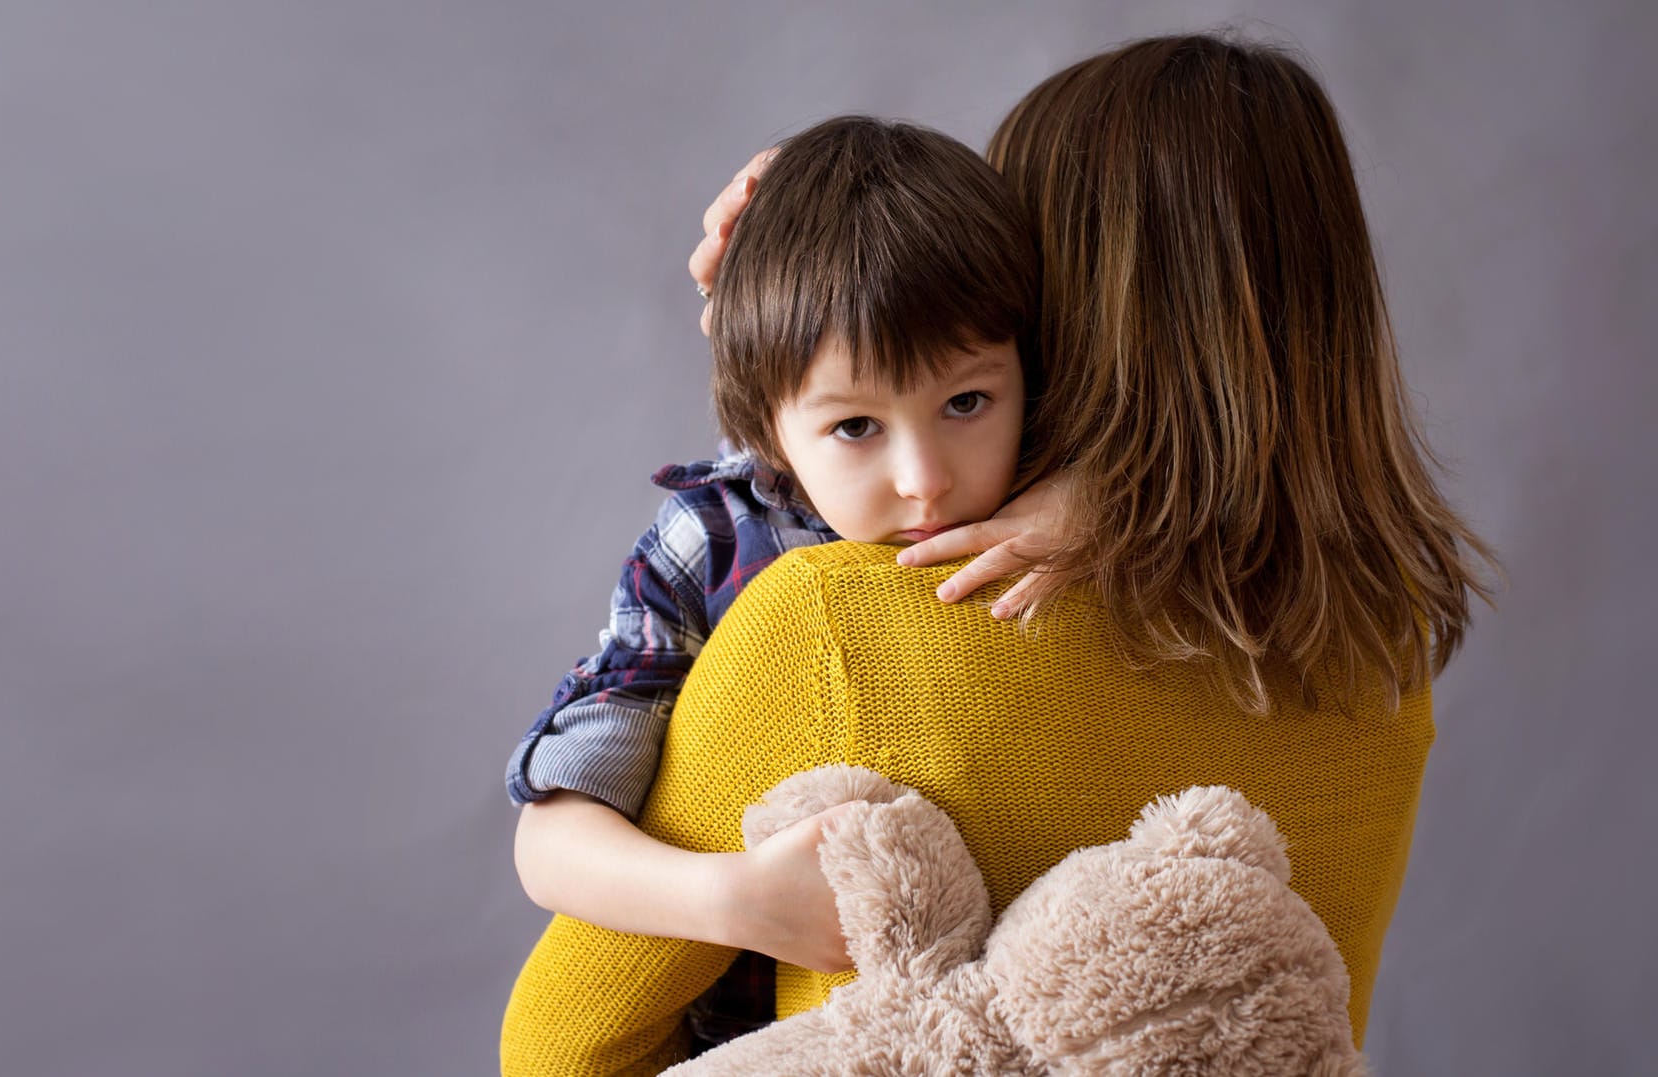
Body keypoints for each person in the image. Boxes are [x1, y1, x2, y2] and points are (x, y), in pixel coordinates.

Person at [504, 33, 1494, 1076]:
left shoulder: (840, 625)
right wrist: (809, 247)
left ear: (1053, 299)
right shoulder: (1382, 655)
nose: (923, 476)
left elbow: (561, 1046)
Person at [505, 115, 1044, 1045]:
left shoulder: (1046, 495)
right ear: (767, 426)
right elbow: (552, 839)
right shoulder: (718, 544)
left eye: (967, 402)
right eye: (856, 427)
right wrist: (739, 899)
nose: (925, 478)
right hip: (757, 1036)